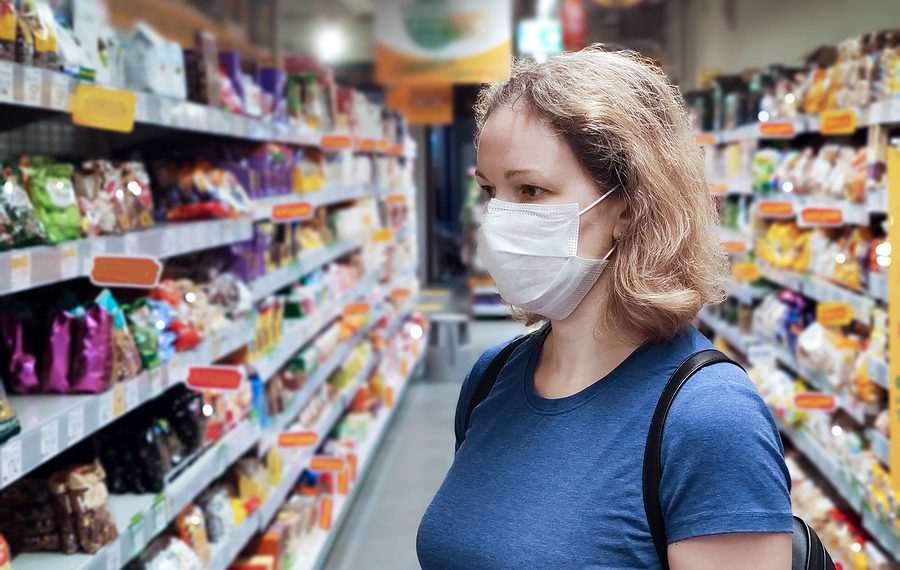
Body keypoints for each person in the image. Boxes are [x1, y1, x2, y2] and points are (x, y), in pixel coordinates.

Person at [416, 47, 793, 569]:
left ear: (630, 206)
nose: (498, 220)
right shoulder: (491, 378)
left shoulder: (709, 418)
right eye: (489, 191)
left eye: (530, 190)